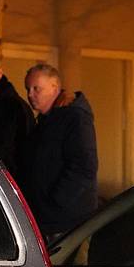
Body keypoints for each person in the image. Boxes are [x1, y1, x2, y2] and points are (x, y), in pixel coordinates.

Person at [17, 63, 98, 240]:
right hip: (49, 220)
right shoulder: (46, 122)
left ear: (54, 87)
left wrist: (56, 200)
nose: (30, 94)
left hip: (68, 222)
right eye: (27, 88)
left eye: (36, 88)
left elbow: (85, 167)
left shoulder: (75, 119)